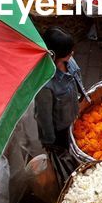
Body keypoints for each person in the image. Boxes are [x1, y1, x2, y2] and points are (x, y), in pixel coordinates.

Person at [34, 27, 86, 183]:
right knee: (65, 156)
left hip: (74, 117)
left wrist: (83, 99)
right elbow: (43, 115)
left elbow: (78, 80)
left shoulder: (69, 61)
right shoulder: (46, 83)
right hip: (60, 128)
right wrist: (50, 141)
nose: (72, 55)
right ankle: (68, 179)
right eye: (68, 53)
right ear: (54, 54)